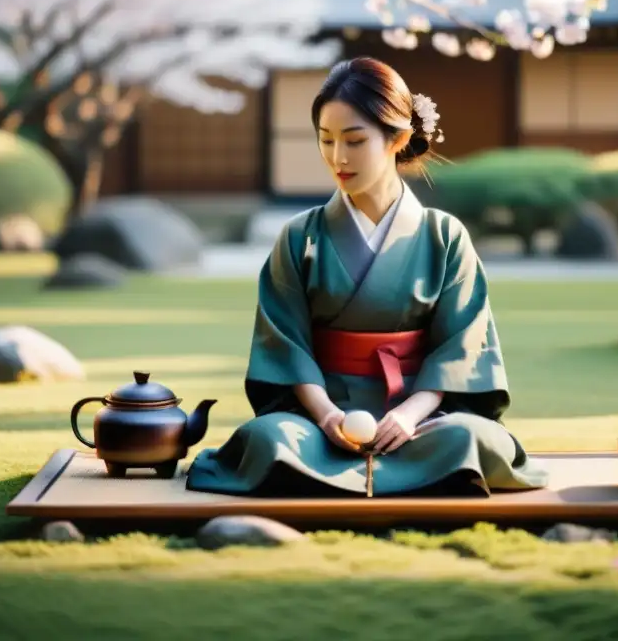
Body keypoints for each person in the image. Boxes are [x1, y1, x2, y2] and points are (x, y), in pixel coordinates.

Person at [185, 56, 549, 497]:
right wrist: (325, 415)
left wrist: (409, 415)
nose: (338, 157)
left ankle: (346, 474)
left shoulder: (444, 236)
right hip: (319, 418)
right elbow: (285, 346)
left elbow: (462, 348)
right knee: (271, 438)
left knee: (468, 439)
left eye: (355, 141)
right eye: (327, 140)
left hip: (422, 420)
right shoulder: (299, 236)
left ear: (397, 138)